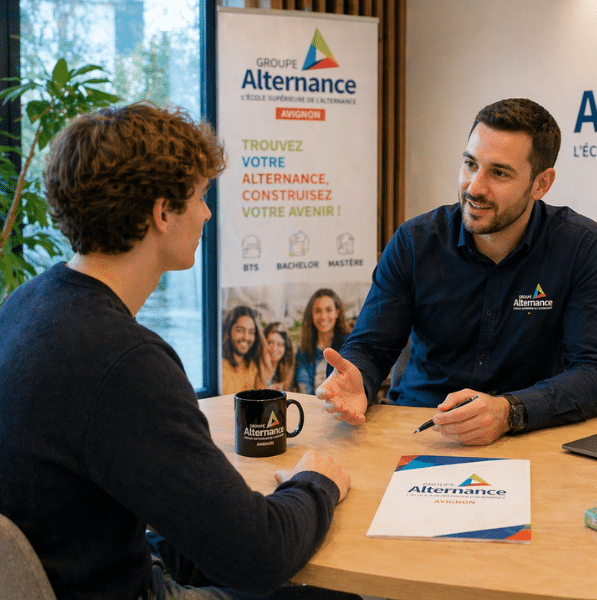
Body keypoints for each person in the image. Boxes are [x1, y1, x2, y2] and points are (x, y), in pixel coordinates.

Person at [0, 102, 356, 600]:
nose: (208, 213)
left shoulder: (23, 306)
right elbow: (260, 557)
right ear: (162, 212)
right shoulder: (123, 359)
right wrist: (316, 483)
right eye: (201, 197)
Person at [317, 97, 597, 446]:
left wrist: (510, 411)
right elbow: (371, 348)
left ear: (541, 184)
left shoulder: (581, 246)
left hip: (529, 437)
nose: (475, 187)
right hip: (421, 430)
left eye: (499, 173)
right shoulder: (415, 242)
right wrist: (357, 377)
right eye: (470, 164)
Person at [294, 289, 351, 394]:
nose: (323, 316)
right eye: (318, 311)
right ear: (311, 315)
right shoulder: (303, 352)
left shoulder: (349, 345)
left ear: (337, 313)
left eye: (328, 310)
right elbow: (304, 388)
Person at [221, 304, 267, 395]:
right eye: (240, 330)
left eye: (251, 332)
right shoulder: (219, 368)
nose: (246, 337)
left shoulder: (252, 367)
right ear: (228, 331)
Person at [263, 322, 296, 391]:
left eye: (280, 344)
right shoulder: (255, 368)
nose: (274, 348)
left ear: (286, 348)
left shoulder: (287, 369)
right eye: (270, 343)